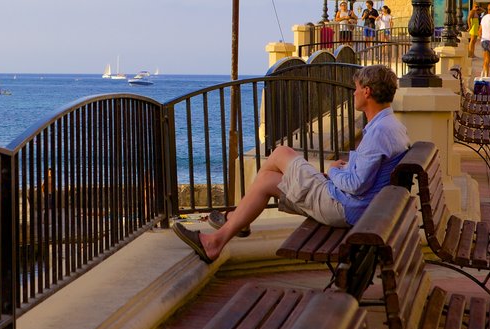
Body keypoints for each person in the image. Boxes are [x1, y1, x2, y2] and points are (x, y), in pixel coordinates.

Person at [172, 65, 410, 263]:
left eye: (356, 89)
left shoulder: (379, 132)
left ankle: (233, 222)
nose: (353, 93)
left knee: (280, 152)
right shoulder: (392, 126)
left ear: (367, 92)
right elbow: (368, 176)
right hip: (359, 207)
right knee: (267, 180)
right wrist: (345, 168)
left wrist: (332, 170)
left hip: (344, 206)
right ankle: (224, 233)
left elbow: (356, 185)